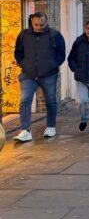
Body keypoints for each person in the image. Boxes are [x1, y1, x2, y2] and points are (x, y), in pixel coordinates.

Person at [12, 12, 66, 142]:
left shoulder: (55, 35)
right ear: (32, 22)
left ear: (46, 22)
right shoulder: (24, 35)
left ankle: (51, 127)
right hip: (28, 75)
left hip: (48, 74)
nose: (39, 27)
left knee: (51, 101)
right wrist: (23, 64)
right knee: (24, 101)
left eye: (42, 24)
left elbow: (61, 53)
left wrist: (53, 65)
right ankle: (25, 130)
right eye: (36, 24)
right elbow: (17, 52)